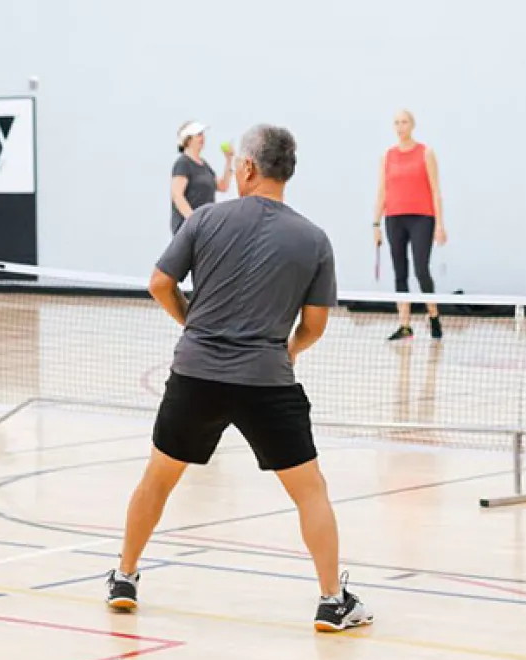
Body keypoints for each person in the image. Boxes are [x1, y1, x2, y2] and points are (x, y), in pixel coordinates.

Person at [107, 124, 372, 633]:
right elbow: (314, 325)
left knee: (157, 480)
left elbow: (159, 284)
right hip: (267, 381)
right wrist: (287, 349)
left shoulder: (205, 219)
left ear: (247, 167)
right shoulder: (313, 239)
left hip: (196, 375)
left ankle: (124, 576)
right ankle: (331, 600)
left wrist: (193, 323)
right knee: (310, 491)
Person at [371, 110, 447, 341]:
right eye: (396, 122)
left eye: (404, 122)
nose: (400, 126)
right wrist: (376, 224)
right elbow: (382, 192)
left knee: (421, 270)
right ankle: (404, 326)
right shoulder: (388, 156)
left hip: (422, 217)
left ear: (412, 125)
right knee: (400, 272)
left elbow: (435, 190)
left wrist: (440, 224)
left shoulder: (426, 153)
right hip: (394, 218)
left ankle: (433, 317)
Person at [169, 121, 233, 234]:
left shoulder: (204, 165)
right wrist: (193, 221)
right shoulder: (183, 163)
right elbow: (177, 196)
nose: (202, 137)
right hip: (187, 230)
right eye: (198, 135)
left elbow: (223, 186)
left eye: (202, 134)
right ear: (188, 139)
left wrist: (229, 160)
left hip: (205, 228)